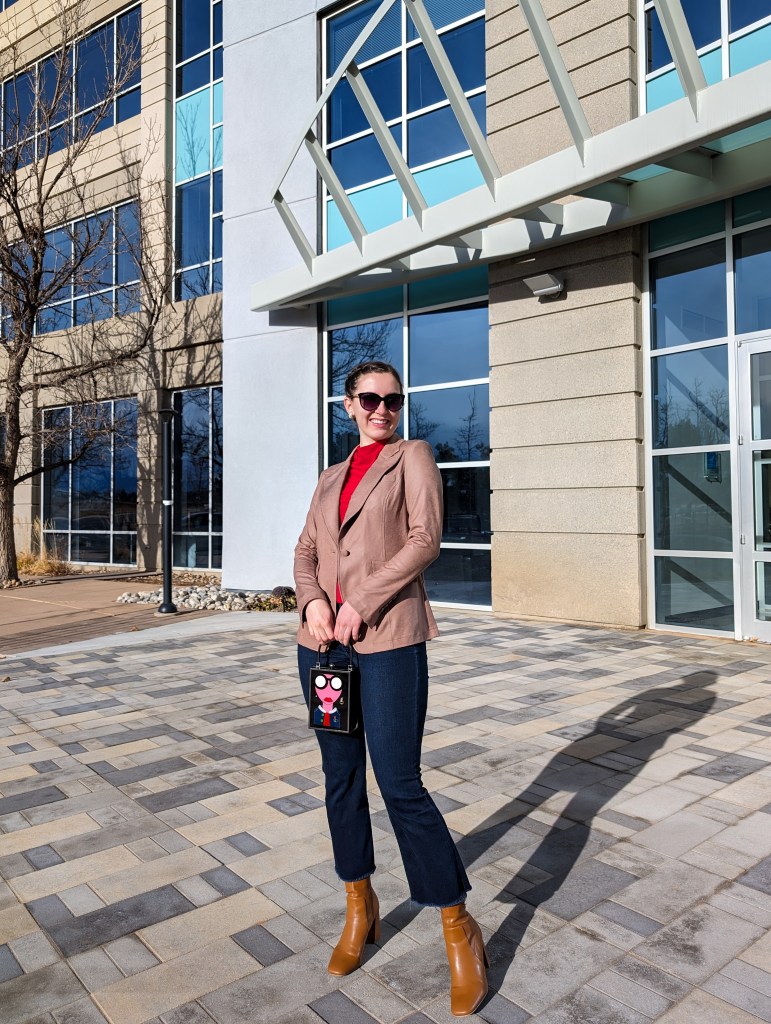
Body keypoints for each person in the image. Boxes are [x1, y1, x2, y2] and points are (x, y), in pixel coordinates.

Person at [294, 360, 488, 1017]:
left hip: (389, 642)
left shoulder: (412, 456)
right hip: (323, 649)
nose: (383, 409)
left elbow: (423, 540)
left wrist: (363, 602)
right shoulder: (328, 477)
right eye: (370, 399)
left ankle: (457, 925)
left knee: (400, 783)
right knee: (339, 777)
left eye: (393, 400)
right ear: (347, 404)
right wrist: (314, 603)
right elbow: (305, 552)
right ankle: (360, 903)